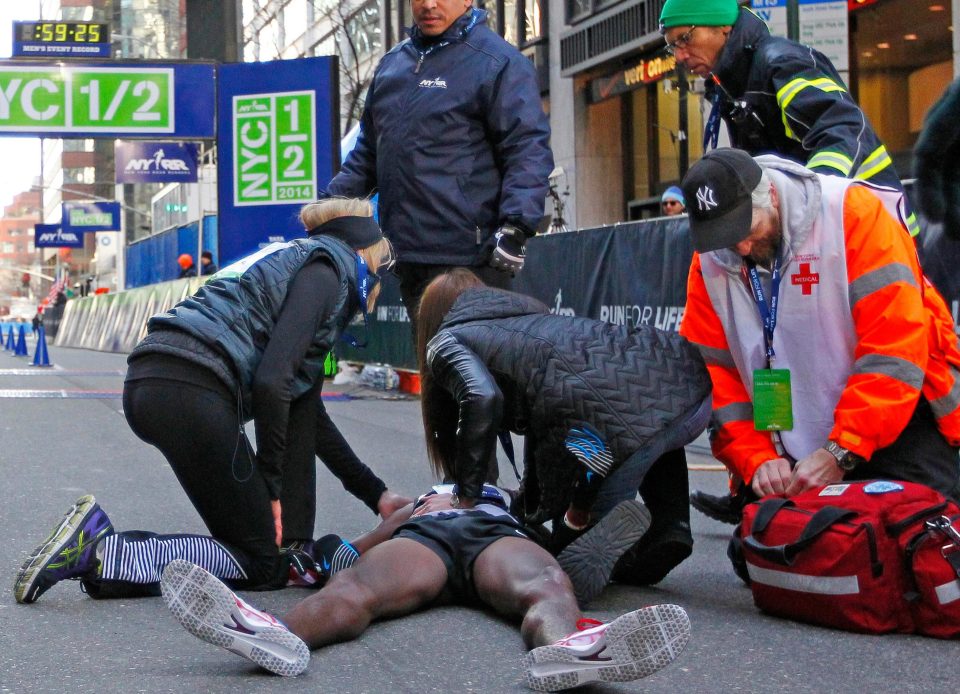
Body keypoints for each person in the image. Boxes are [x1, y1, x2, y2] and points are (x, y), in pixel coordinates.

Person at [14, 198, 411, 604]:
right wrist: (271, 489)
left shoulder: (292, 258)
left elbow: (305, 411)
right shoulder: (328, 273)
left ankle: (104, 559)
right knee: (262, 564)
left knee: (249, 548)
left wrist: (376, 494)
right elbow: (274, 382)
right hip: (193, 391)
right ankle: (102, 551)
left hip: (156, 379)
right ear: (367, 256)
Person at [160, 483, 692, 690]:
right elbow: (373, 539)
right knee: (356, 585)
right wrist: (352, 548)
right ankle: (272, 632)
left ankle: (565, 650)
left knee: (548, 583)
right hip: (437, 536)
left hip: (483, 539)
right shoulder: (431, 497)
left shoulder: (507, 498)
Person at [678, 149, 960, 516]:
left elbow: (895, 353)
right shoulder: (710, 261)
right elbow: (717, 378)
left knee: (919, 530)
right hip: (790, 433)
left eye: (747, 231)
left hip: (894, 418)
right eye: (726, 238)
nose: (741, 248)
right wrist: (758, 459)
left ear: (773, 197)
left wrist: (840, 451)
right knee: (782, 546)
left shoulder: (852, 213)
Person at [414, 270, 712, 603]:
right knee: (650, 419)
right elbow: (545, 433)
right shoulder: (533, 320)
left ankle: (594, 544)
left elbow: (482, 398)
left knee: (573, 540)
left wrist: (464, 497)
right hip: (687, 389)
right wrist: (527, 498)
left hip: (615, 421)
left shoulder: (447, 341)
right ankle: (671, 526)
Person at [322, 0, 554, 340]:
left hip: (472, 258)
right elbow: (369, 153)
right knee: (433, 373)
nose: (429, 4)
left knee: (476, 375)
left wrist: (516, 227)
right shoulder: (392, 66)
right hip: (408, 255)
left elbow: (527, 149)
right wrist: (326, 208)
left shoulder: (498, 62)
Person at [659, 0, 918, 237]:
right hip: (841, 225)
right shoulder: (736, 85)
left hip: (872, 223)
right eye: (673, 46)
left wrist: (806, 206)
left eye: (686, 38)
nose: (680, 56)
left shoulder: (782, 63)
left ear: (723, 26)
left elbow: (841, 130)